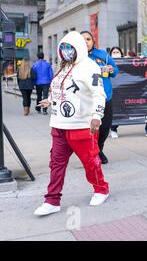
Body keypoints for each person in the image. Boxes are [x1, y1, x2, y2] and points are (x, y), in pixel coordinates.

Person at [33, 31, 109, 217]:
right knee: (56, 163)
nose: (66, 51)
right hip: (59, 124)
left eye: (70, 48)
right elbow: (60, 88)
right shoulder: (63, 67)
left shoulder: (90, 67)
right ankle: (52, 200)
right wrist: (50, 100)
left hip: (82, 125)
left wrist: (97, 116)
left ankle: (101, 189)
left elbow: (99, 93)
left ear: (79, 48)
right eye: (63, 48)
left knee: (91, 162)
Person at [81, 31, 119, 165]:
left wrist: (111, 69)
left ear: (93, 41)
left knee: (105, 127)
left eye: (88, 39)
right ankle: (91, 152)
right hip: (86, 99)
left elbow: (115, 70)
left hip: (105, 96)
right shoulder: (77, 58)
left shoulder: (103, 55)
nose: (86, 41)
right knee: (89, 128)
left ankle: (99, 149)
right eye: (83, 39)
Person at [109, 47, 123, 139]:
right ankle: (113, 129)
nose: (116, 53)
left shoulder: (125, 61)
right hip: (111, 89)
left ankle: (114, 128)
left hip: (123, 90)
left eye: (117, 52)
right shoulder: (108, 63)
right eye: (114, 52)